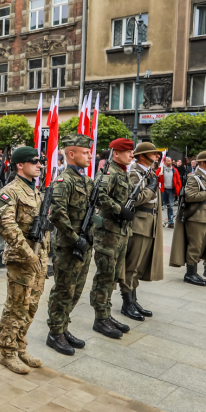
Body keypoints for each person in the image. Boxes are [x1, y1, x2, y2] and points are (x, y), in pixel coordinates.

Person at [0, 146, 48, 374]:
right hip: (22, 259)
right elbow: (6, 225)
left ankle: (20, 346)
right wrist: (29, 254)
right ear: (20, 165)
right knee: (16, 306)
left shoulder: (35, 191)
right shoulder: (11, 191)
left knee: (31, 306)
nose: (40, 165)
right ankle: (7, 352)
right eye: (35, 161)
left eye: (40, 161)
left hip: (39, 259)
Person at [45, 133, 95, 356]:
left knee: (76, 291)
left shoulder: (85, 180)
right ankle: (55, 332)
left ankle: (64, 327)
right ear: (72, 154)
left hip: (84, 244)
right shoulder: (63, 181)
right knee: (64, 290)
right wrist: (77, 239)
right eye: (85, 152)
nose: (90, 155)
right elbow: (57, 213)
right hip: (68, 246)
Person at [89, 139, 136, 339]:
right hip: (108, 233)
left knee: (114, 276)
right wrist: (119, 209)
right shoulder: (108, 172)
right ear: (115, 153)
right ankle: (100, 319)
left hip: (120, 232)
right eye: (127, 151)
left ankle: (106, 314)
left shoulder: (123, 172)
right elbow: (99, 195)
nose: (132, 155)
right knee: (105, 276)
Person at [120, 142, 163, 321]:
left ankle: (133, 299)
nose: (157, 156)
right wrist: (152, 187)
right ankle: (126, 303)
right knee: (132, 265)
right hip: (139, 224)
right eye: (154, 153)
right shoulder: (134, 173)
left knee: (138, 265)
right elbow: (136, 198)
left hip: (149, 223)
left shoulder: (147, 173)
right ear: (143, 156)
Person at [169, 150, 206, 285]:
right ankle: (190, 273)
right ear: (203, 162)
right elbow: (190, 196)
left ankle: (194, 272)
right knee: (195, 246)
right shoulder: (194, 177)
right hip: (196, 217)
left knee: (201, 245)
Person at [161, 155, 181, 228]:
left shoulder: (175, 170)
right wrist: (159, 175)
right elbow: (156, 179)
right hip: (162, 190)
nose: (170, 162)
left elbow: (178, 181)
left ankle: (171, 222)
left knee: (171, 206)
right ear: (165, 162)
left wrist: (177, 190)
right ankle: (158, 221)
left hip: (171, 190)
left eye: (170, 161)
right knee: (160, 206)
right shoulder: (161, 169)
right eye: (168, 161)